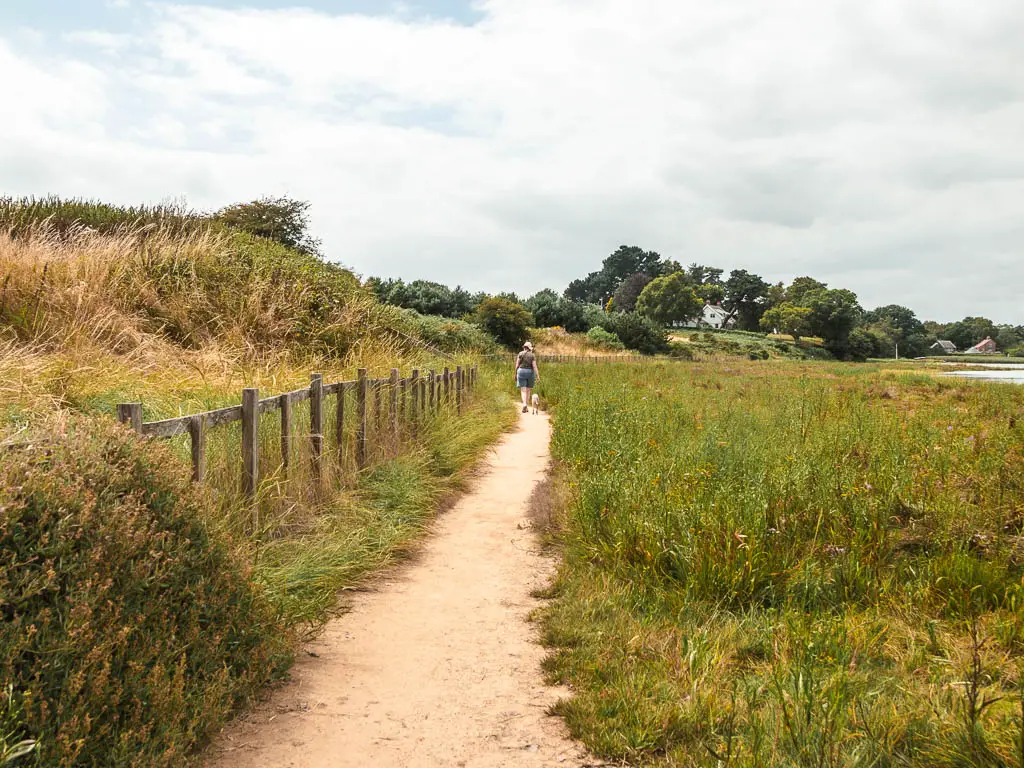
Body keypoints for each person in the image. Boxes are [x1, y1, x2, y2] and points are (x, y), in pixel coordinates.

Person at [514, 341, 539, 413]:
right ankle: (526, 405)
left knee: (523, 390)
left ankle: (524, 404)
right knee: (528, 390)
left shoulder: (520, 354)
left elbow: (517, 365)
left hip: (521, 371)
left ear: (524, 347)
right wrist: (537, 375)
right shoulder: (532, 355)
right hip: (530, 373)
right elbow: (534, 366)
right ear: (529, 348)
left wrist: (515, 374)